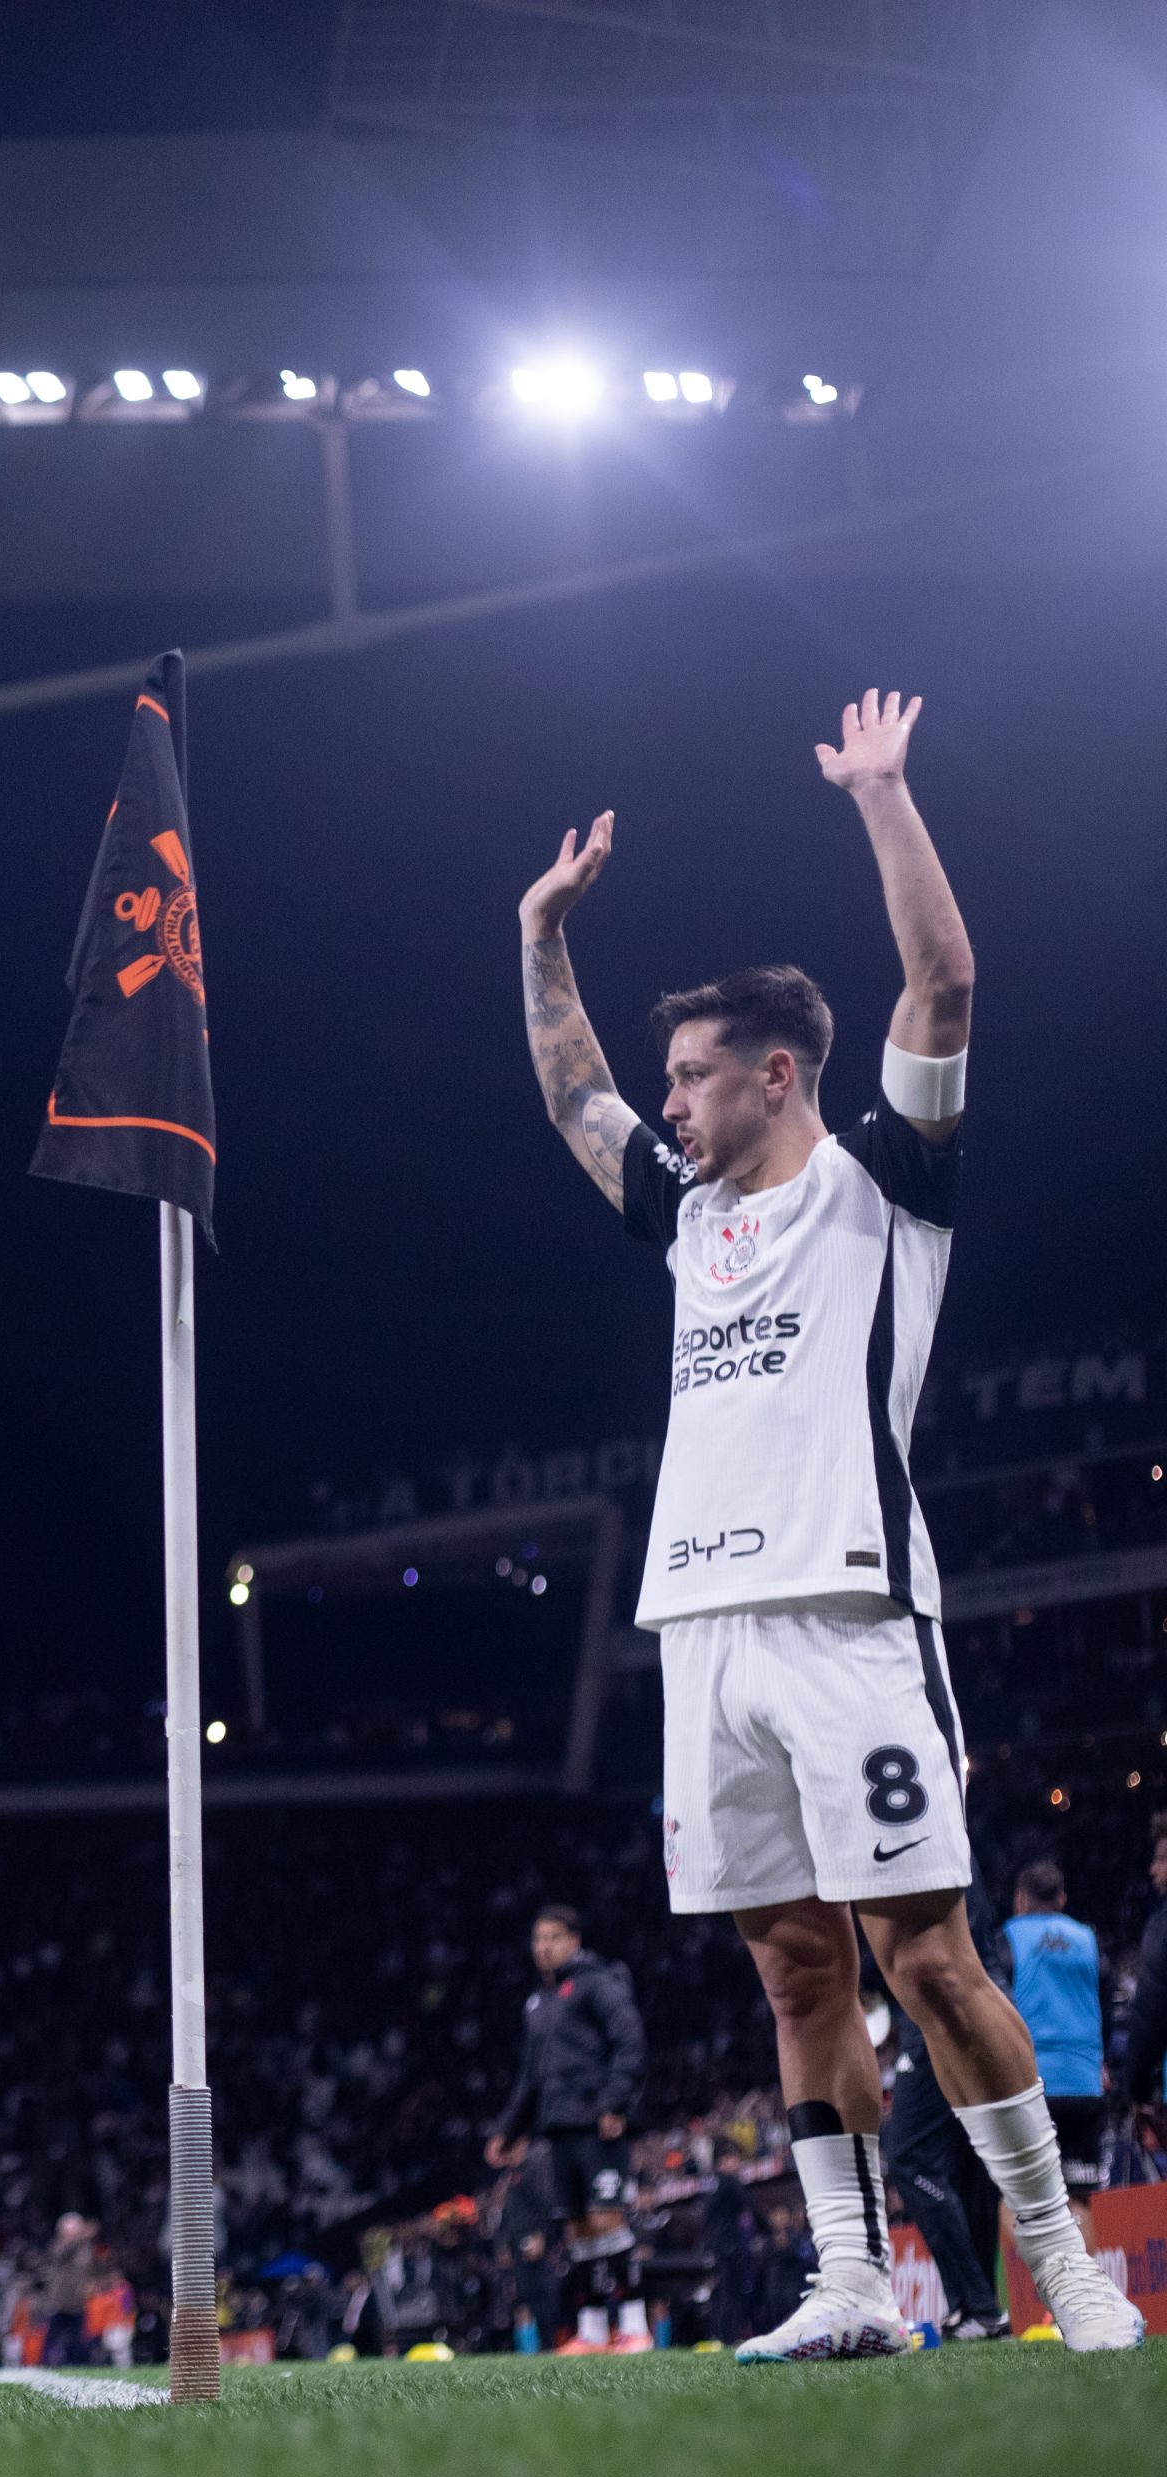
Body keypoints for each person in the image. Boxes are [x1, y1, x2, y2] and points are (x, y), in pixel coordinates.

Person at [515, 687, 1142, 2358]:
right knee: (793, 1969)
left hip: (848, 1612)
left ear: (774, 1073)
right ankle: (852, 2285)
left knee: (926, 1957)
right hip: (697, 1630)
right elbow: (572, 1100)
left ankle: (1066, 2281)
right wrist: (539, 940)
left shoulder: (884, 1180)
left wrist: (879, 796)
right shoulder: (685, 1215)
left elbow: (941, 981)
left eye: (692, 1080)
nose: (668, 1105)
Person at [484, 1905, 647, 2350]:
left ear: (574, 1940)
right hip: (557, 2128)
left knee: (608, 2219)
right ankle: (593, 2331)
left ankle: (635, 2326)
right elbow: (530, 2076)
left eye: (553, 1938)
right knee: (577, 2230)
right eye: (538, 1940)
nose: (544, 1947)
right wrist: (508, 2131)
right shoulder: (538, 2003)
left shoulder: (599, 1983)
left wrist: (615, 2103)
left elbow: (629, 2040)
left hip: (598, 2122)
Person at [880, 1871, 1009, 2339]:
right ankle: (982, 2309)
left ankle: (976, 2302)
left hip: (940, 2005)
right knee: (968, 2157)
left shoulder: (904, 1837)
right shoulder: (950, 1836)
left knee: (910, 2157)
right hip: (983, 1998)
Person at [1004, 1860, 1106, 2245]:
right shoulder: (1088, 1939)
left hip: (1031, 2086)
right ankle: (1084, 2303)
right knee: (1078, 2200)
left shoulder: (1009, 1937)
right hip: (1084, 2086)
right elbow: (1105, 2012)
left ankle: (1033, 2300)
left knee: (1012, 2197)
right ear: (1061, 1898)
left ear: (1020, 1900)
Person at [1119, 1813, 1167, 2128]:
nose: (1153, 1870)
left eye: (1162, 1859)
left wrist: (1135, 2089)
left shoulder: (1162, 1926)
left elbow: (1150, 2009)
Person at [38, 2212, 98, 2367]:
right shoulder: (57, 2245)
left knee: (79, 2339)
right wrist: (82, 2237)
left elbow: (89, 2270)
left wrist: (91, 2284)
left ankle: (79, 2366)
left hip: (77, 2301)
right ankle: (44, 2366)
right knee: (52, 2337)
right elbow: (61, 2254)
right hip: (59, 2301)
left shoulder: (85, 2248)